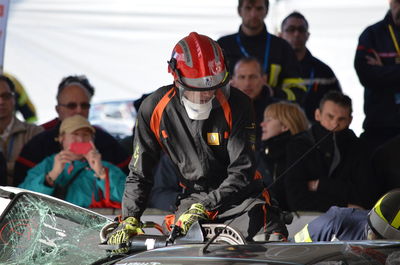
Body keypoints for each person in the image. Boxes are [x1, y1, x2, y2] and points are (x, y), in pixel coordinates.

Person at [106, 32, 288, 251]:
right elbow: (140, 173)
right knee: (180, 251)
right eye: (197, 88)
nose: (206, 94)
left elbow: (242, 171)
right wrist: (129, 218)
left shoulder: (239, 103)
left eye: (212, 87)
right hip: (193, 199)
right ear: (175, 78)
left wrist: (207, 205)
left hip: (243, 198)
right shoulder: (153, 108)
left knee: (268, 243)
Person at [13, 75, 131, 186]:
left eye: (84, 105)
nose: (79, 110)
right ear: (58, 109)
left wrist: (102, 173)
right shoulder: (38, 144)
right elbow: (21, 190)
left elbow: (130, 191)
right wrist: (51, 176)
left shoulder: (107, 143)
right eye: (71, 106)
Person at [285, 91, 374, 212]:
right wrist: (344, 205)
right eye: (330, 116)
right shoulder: (299, 145)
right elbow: (296, 199)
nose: (335, 123)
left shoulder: (360, 148)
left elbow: (366, 197)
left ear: (350, 120)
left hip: (349, 222)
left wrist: (320, 185)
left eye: (341, 119)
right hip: (307, 221)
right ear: (317, 114)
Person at [19, 115, 126, 208]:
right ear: (61, 138)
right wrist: (52, 176)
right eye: (75, 134)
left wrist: (101, 173)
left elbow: (129, 199)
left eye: (85, 135)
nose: (80, 139)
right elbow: (22, 198)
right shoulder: (47, 165)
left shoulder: (105, 167)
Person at [217, 0, 306, 105]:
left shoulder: (282, 47)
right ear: (239, 11)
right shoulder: (223, 45)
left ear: (267, 11)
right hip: (232, 113)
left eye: (259, 9)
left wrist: (271, 92)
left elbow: (298, 92)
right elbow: (210, 86)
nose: (254, 14)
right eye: (248, 8)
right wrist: (228, 90)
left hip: (271, 115)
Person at [354, 0, 400, 153]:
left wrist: (386, 70)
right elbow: (366, 76)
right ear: (390, 2)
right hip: (380, 126)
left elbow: (377, 77)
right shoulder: (372, 34)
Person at [279, 11, 342, 123]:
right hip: (280, 133)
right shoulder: (273, 69)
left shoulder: (323, 71)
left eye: (301, 30)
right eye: (291, 29)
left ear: (308, 35)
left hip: (316, 137)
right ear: (280, 35)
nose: (296, 34)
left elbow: (339, 106)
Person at [257, 101, 309, 211]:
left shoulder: (299, 155)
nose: (262, 124)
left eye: (269, 120)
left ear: (285, 126)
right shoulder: (262, 154)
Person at [294, 189, 400, 242]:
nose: (372, 241)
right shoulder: (336, 222)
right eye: (372, 232)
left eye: (381, 241)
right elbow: (292, 252)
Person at [0, 75, 43, 186]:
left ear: (14, 99)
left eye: (6, 96)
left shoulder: (35, 133)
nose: (1, 101)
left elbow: (40, 172)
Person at [230, 57, 277, 147]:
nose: (247, 83)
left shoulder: (278, 110)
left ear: (264, 79)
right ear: (233, 81)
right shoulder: (223, 109)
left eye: (253, 77)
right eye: (242, 77)